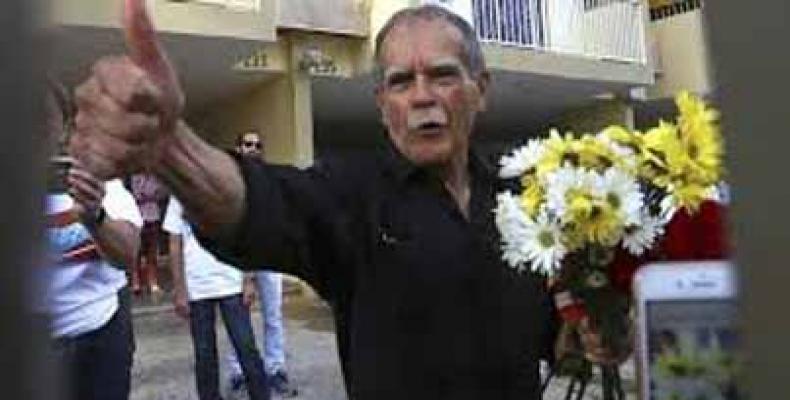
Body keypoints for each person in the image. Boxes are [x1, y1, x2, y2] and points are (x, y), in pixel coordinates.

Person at [70, 2, 559, 399]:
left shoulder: (527, 194)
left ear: (483, 90)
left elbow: (554, 333)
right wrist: (171, 150)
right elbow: (263, 204)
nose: (421, 96)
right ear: (382, 106)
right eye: (400, 82)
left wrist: (596, 328)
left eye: (443, 75)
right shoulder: (352, 194)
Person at [40, 80, 142, 400]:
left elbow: (127, 255)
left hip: (101, 340)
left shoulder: (101, 182)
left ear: (62, 127)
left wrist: (95, 217)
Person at [163, 196, 270, 400]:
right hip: (197, 288)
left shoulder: (220, 186)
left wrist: (248, 278)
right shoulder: (179, 196)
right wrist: (179, 289)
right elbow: (174, 245)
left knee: (246, 349)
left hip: (231, 283)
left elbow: (243, 234)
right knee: (204, 356)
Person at [225, 131, 298, 397]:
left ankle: (275, 369)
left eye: (258, 145)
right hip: (239, 257)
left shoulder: (271, 179)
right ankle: (238, 372)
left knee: (273, 316)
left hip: (269, 256)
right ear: (238, 148)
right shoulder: (231, 181)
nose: (253, 148)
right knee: (238, 318)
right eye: (247, 144)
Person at [127, 172, 165, 296]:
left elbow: (160, 193)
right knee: (136, 251)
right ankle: (136, 281)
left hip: (153, 216)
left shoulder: (155, 176)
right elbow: (137, 194)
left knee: (152, 251)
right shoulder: (135, 175)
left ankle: (152, 281)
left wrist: (149, 195)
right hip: (137, 216)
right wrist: (148, 195)